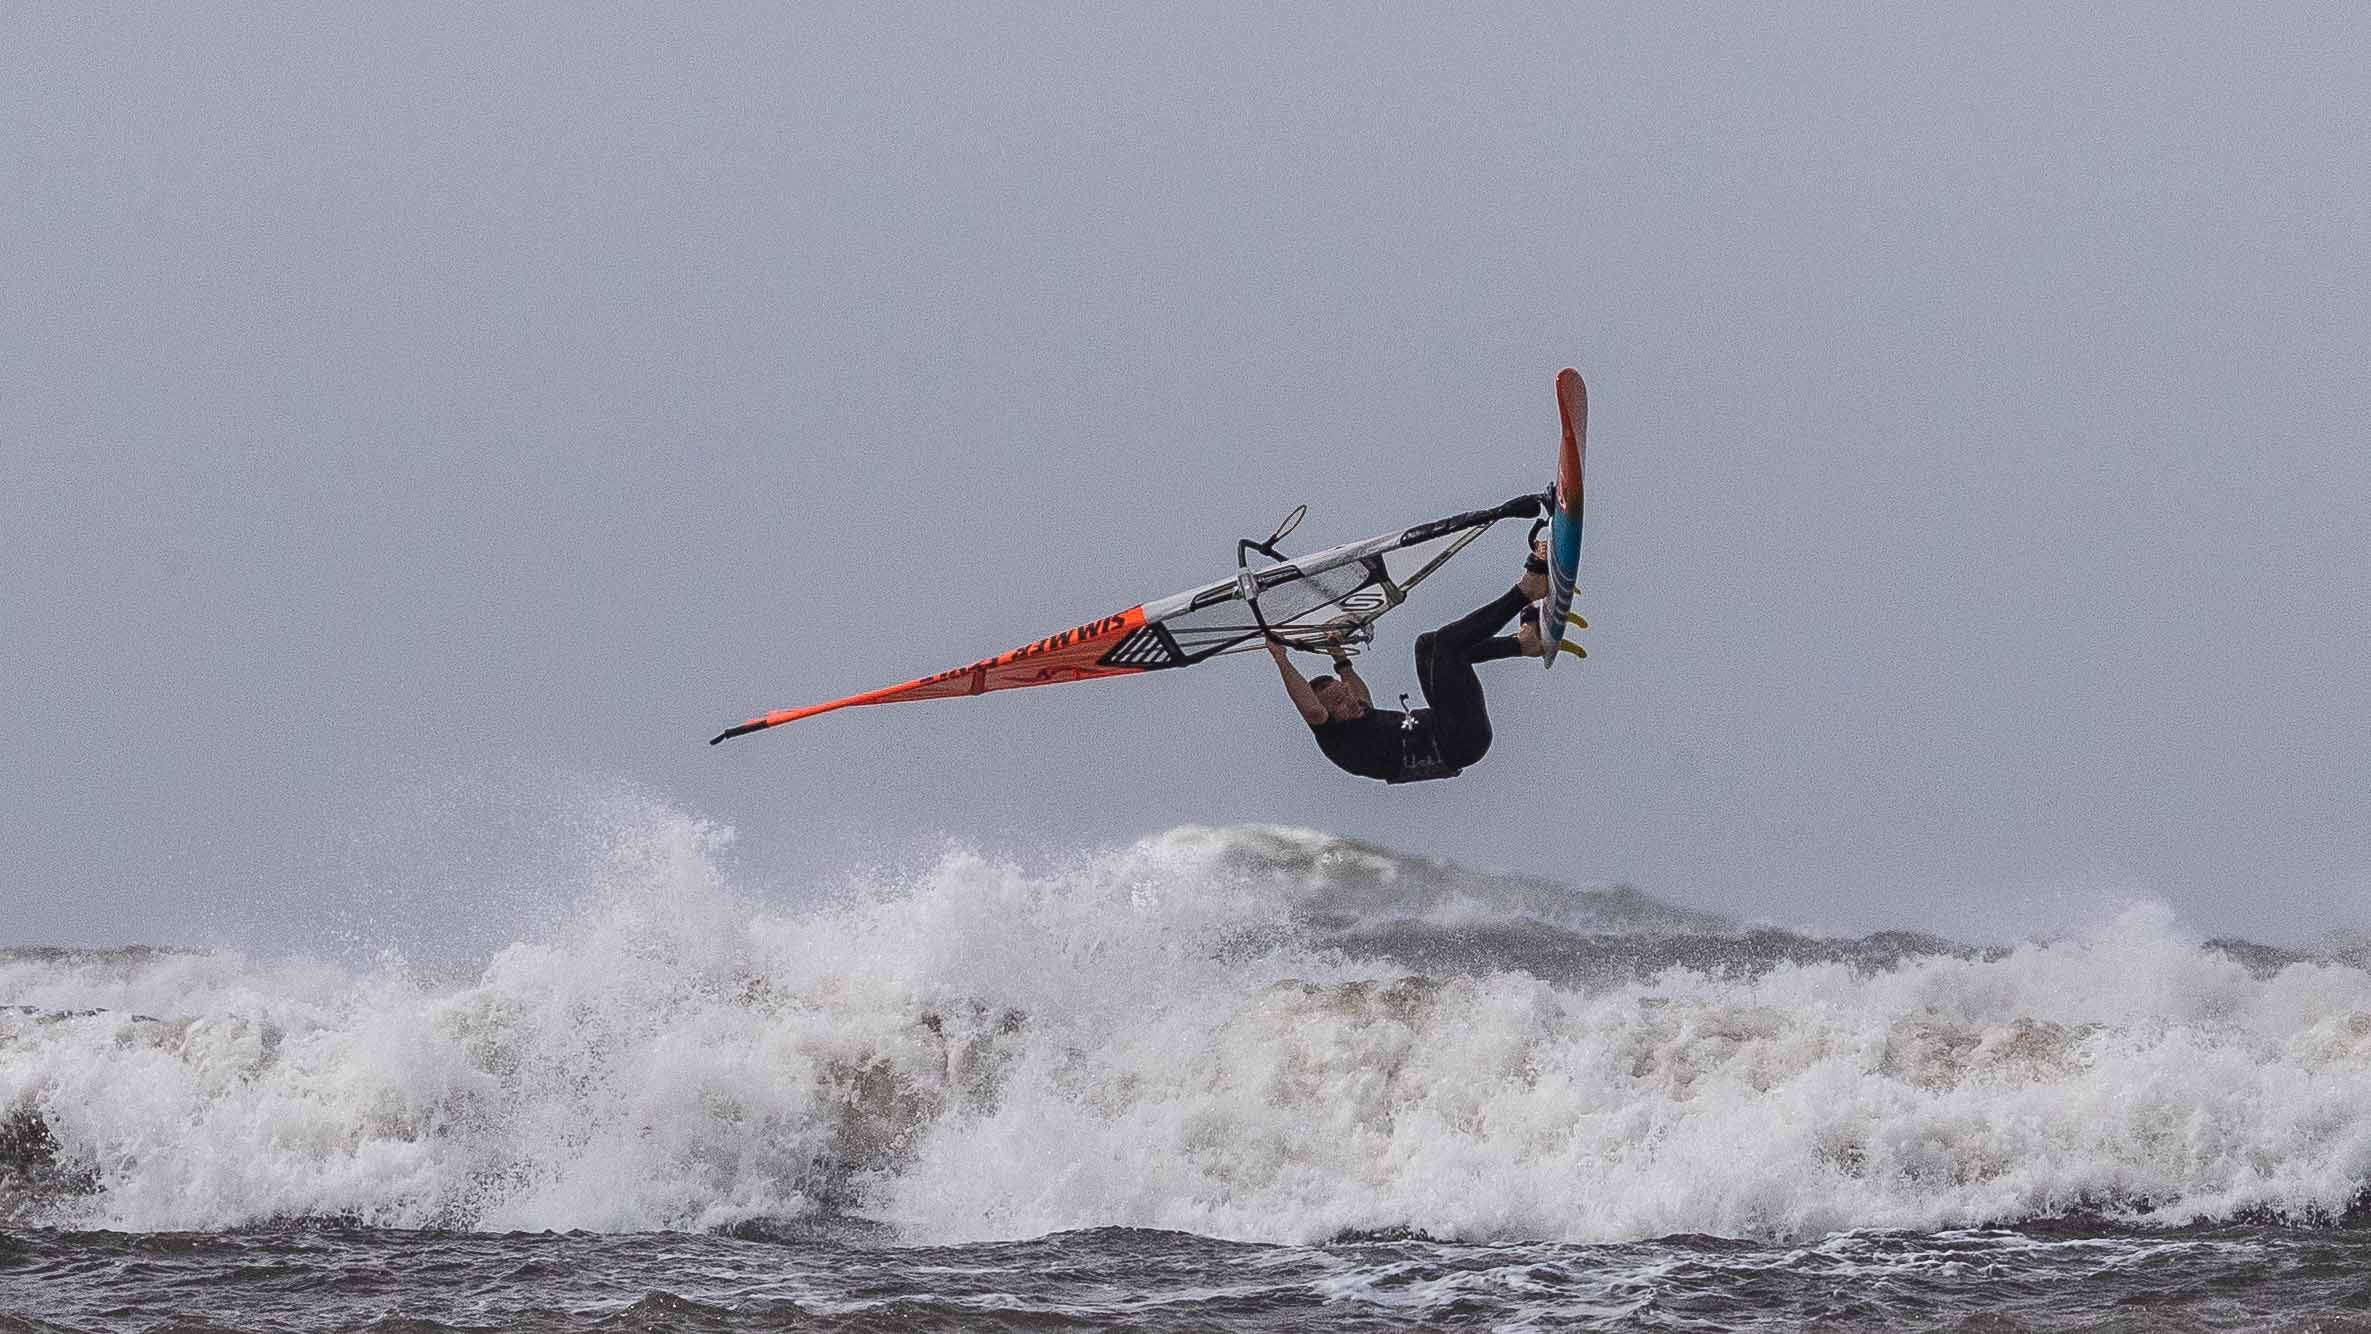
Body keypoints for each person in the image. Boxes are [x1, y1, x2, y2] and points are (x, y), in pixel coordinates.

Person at [1267, 541, 1548, 783]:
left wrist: (1339, 657)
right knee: (1448, 645)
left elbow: (1357, 691)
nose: (1351, 701)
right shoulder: (1332, 734)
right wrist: (1281, 659)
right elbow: (1311, 709)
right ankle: (1526, 591)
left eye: (1345, 694)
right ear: (1325, 715)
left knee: (1428, 645)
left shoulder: (1358, 712)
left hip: (1450, 728)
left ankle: (1523, 644)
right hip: (1458, 742)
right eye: (1339, 703)